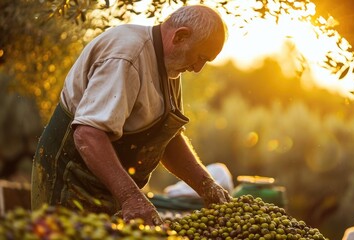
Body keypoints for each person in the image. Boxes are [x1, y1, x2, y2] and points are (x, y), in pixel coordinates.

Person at [31, 5, 231, 225]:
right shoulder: (127, 56)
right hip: (71, 183)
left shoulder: (170, 66)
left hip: (108, 187)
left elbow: (167, 139)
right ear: (180, 36)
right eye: (200, 57)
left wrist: (206, 185)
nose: (198, 68)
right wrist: (131, 197)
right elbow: (88, 134)